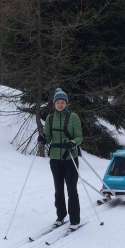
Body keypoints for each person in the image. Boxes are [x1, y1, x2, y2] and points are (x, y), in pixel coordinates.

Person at [37, 88, 83, 229]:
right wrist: (43, 139)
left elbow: (79, 137)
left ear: (67, 103)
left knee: (71, 189)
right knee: (58, 189)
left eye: (63, 102)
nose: (60, 104)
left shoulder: (73, 117)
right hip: (55, 158)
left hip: (70, 158)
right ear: (54, 104)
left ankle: (74, 219)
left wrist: (73, 143)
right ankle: (61, 216)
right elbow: (48, 136)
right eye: (58, 102)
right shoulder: (50, 118)